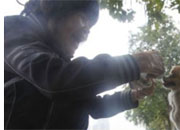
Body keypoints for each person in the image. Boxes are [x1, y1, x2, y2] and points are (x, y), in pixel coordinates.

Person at [4, 0, 165, 129]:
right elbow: (56, 80)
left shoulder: (59, 60)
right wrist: (133, 64)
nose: (87, 30)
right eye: (83, 18)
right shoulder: (13, 30)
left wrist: (132, 95)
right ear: (60, 7)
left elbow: (95, 107)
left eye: (91, 26)